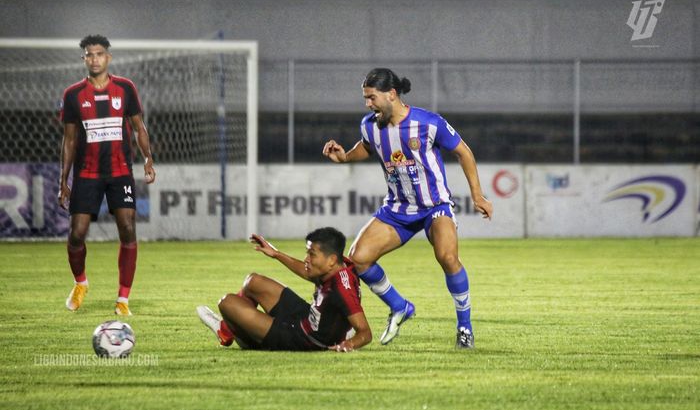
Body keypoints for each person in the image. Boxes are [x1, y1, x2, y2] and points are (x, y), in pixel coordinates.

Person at [322, 68, 493, 349]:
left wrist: (478, 195)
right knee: (358, 258)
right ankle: (400, 306)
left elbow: (463, 151)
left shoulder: (428, 123)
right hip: (398, 209)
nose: (368, 104)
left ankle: (464, 327)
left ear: (391, 95)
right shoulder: (369, 125)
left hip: (434, 206)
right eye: (365, 98)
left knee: (448, 257)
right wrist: (344, 158)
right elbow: (366, 147)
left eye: (372, 97)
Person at [58, 34, 156, 316]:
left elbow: (139, 128)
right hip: (87, 173)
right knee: (77, 234)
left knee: (128, 228)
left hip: (120, 172)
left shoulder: (125, 88)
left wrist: (149, 159)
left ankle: (123, 300)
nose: (94, 59)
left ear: (108, 58)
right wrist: (63, 180)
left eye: (99, 54)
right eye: (89, 54)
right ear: (84, 59)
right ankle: (80, 283)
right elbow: (70, 140)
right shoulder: (73, 95)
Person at [197, 227, 372, 352]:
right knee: (254, 281)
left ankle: (244, 335)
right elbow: (307, 272)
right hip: (308, 317)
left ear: (332, 260)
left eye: (312, 254)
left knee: (227, 303)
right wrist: (277, 254)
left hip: (304, 339)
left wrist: (349, 344)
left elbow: (365, 332)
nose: (306, 259)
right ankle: (227, 330)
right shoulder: (340, 265)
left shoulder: (342, 288)